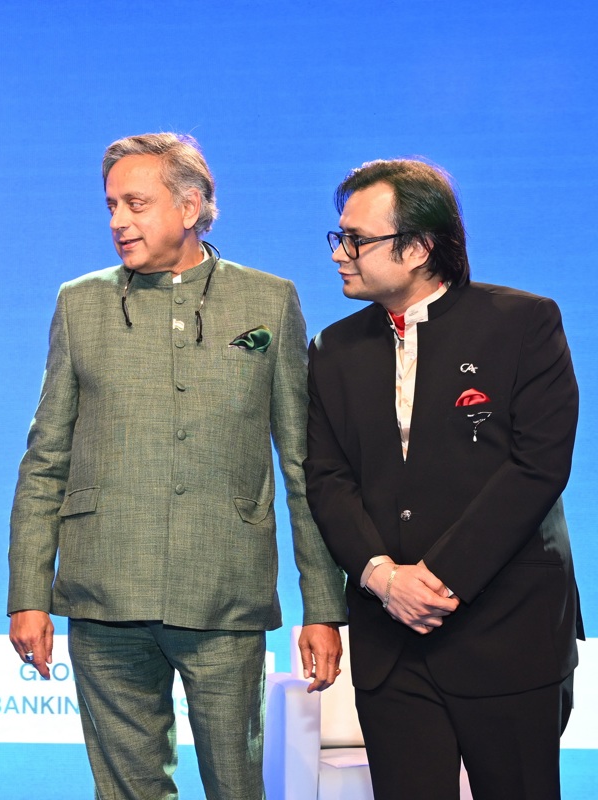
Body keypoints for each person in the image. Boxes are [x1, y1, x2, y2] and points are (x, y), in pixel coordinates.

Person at [8, 132, 346, 800]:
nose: (117, 221)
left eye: (135, 204)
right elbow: (45, 460)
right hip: (104, 594)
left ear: (190, 208)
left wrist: (323, 606)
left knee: (236, 787)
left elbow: (302, 466)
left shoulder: (268, 301)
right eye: (110, 205)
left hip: (225, 593)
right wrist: (27, 594)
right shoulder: (80, 304)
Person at [305, 158, 583, 799]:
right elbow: (326, 478)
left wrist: (435, 581)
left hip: (507, 628)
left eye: (357, 240)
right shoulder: (333, 349)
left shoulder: (523, 322)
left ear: (419, 247)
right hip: (390, 640)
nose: (339, 254)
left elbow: (538, 465)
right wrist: (384, 579)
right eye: (338, 237)